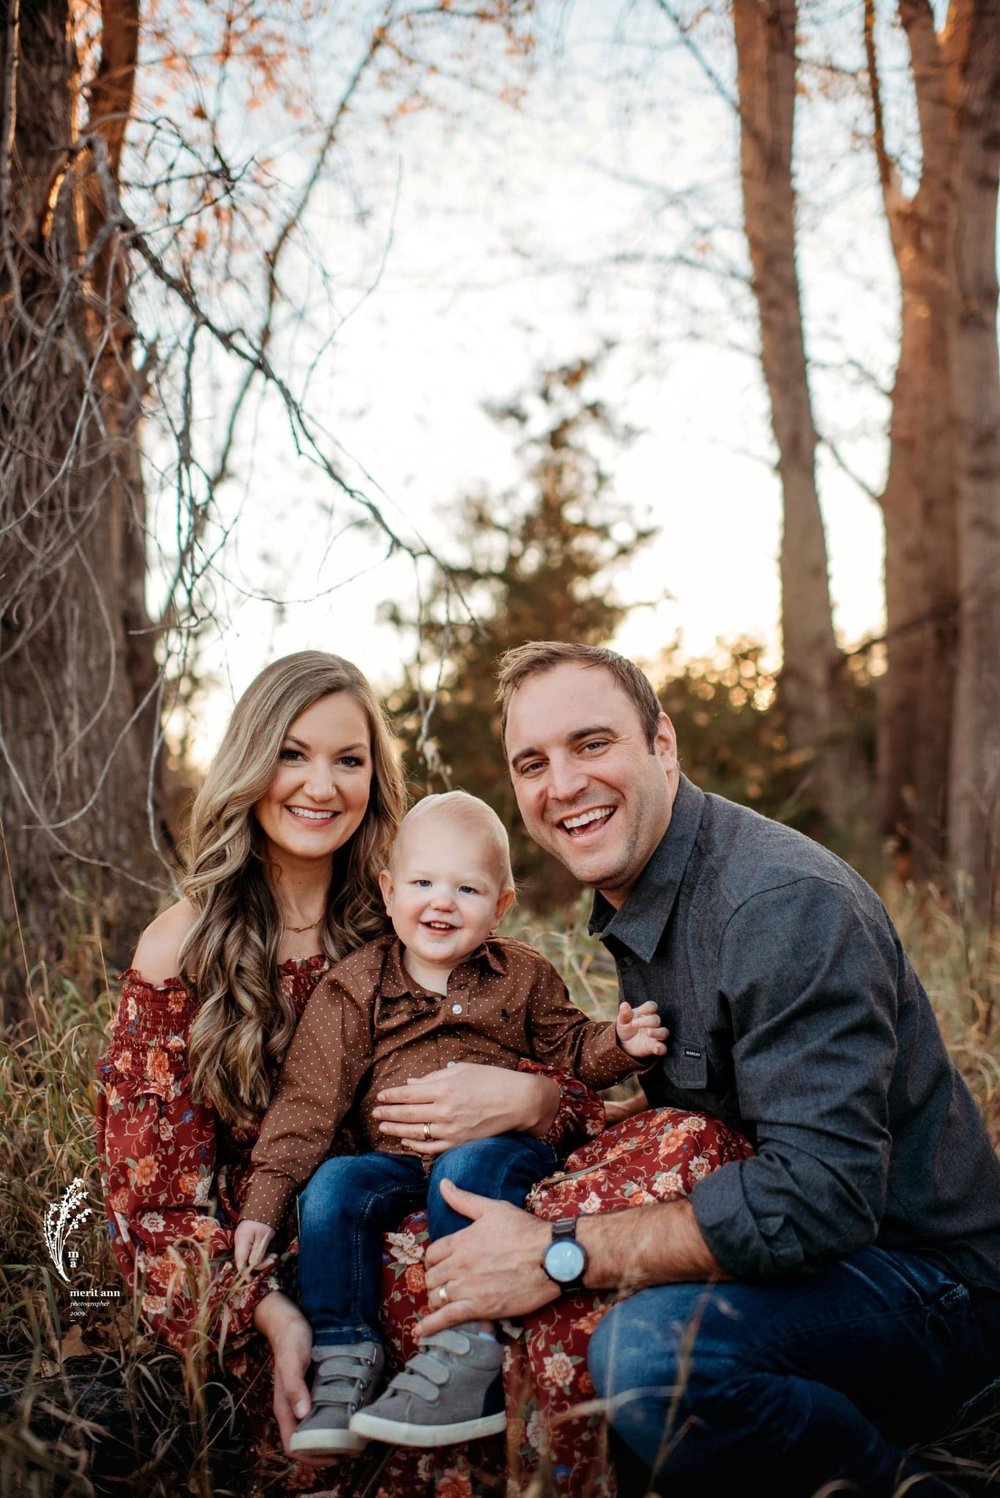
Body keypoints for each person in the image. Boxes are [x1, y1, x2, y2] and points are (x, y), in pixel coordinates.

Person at [410, 640, 1000, 1498]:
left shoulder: (780, 906)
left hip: (925, 1282)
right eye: (532, 762)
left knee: (649, 1360)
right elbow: (722, 1108)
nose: (562, 784)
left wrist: (558, 1254)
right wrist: (541, 1104)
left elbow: (819, 1200)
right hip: (809, 1249)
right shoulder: (648, 885)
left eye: (592, 744)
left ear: (664, 745)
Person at [94, 651, 610, 1498]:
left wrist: (537, 1096)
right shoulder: (182, 946)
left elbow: (550, 1048)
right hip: (310, 1264)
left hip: (456, 1203)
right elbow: (146, 1210)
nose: (321, 785)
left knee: (669, 1163)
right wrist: (265, 1311)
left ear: (376, 775)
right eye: (293, 753)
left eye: (349, 759)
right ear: (251, 764)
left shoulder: (412, 909)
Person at [234, 790, 666, 1457]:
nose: (442, 901)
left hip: (496, 1154)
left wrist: (623, 1043)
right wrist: (266, 1199)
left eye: (467, 888)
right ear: (387, 890)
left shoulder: (519, 975)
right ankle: (344, 1365)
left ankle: (464, 1351)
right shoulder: (355, 986)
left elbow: (573, 1048)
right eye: (424, 882)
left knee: (465, 1170)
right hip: (397, 1163)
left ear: (499, 906)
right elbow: (308, 1103)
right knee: (334, 1186)